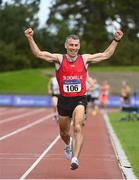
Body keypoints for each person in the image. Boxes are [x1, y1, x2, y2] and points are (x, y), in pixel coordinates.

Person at [24, 27, 123, 170]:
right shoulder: (59, 59)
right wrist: (29, 38)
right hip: (64, 100)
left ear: (79, 46)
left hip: (80, 99)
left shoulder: (85, 59)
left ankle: (75, 158)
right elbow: (39, 54)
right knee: (64, 133)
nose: (73, 48)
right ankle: (68, 143)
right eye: (71, 45)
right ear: (66, 46)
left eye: (76, 45)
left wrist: (116, 40)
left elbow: (106, 55)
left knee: (77, 127)